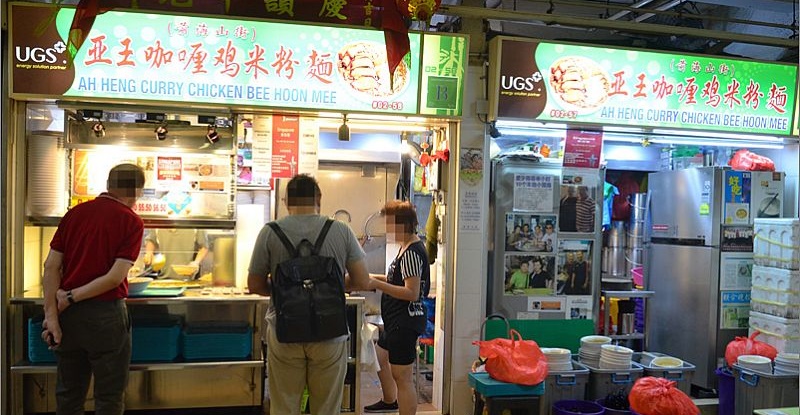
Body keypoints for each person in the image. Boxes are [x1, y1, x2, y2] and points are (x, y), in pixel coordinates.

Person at [247, 174, 371, 415]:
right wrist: (330, 285)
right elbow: (362, 280)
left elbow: (254, 284)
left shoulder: (270, 232)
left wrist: (286, 289)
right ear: (319, 199)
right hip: (330, 333)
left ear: (286, 201)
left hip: (284, 332)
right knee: (326, 408)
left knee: (284, 407)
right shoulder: (341, 230)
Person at [41, 163, 146, 415]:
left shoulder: (74, 214)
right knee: (109, 397)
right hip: (106, 317)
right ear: (137, 192)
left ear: (108, 185)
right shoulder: (131, 221)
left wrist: (52, 317)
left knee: (68, 396)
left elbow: (51, 266)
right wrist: (71, 297)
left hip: (68, 317)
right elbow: (114, 278)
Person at [366, 200, 430, 415]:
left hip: (405, 322)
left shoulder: (412, 251)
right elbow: (397, 280)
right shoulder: (406, 247)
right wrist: (372, 278)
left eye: (390, 225)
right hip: (395, 321)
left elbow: (411, 292)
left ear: (403, 224)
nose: (388, 230)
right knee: (380, 357)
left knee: (402, 377)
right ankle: (389, 400)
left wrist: (376, 284)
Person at [142, 228, 209, 279]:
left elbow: (204, 247)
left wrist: (196, 262)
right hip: (163, 277)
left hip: (188, 278)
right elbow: (151, 240)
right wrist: (149, 253)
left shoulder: (194, 221)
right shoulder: (160, 221)